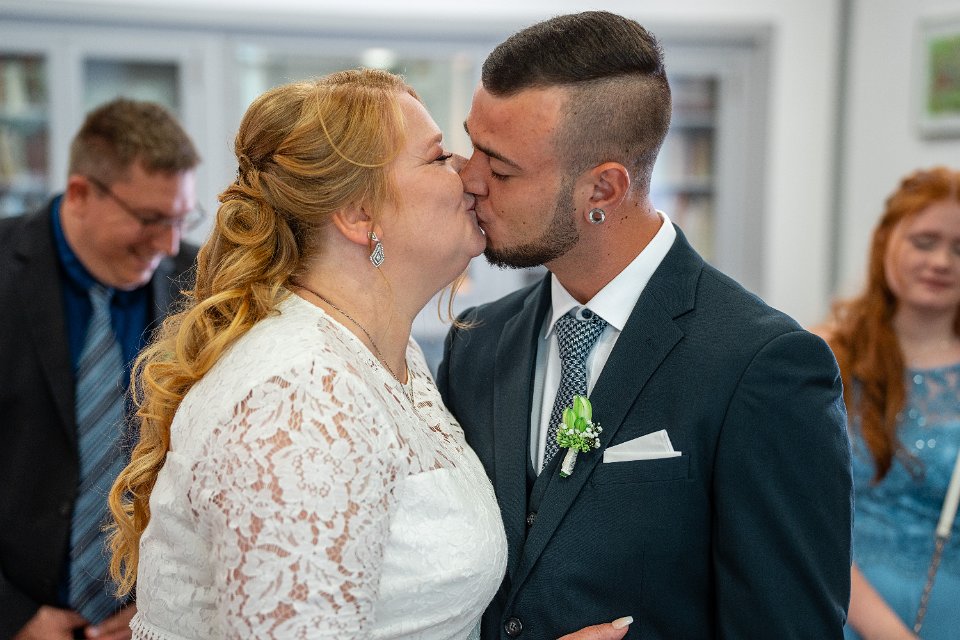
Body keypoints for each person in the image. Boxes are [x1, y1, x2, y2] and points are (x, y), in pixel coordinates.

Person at [437, 11, 853, 640]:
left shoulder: (763, 364)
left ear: (603, 189)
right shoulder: (477, 341)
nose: (468, 181)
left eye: (501, 169)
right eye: (472, 147)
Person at [106, 69, 506, 639]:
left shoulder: (383, 356)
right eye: (438, 157)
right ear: (359, 214)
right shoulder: (301, 396)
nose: (468, 171)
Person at [0, 98, 201, 640]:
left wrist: (158, 606)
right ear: (81, 193)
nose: (167, 244)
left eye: (180, 219)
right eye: (150, 219)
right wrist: (15, 617)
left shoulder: (203, 284)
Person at [816, 167, 960, 640]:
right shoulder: (820, 355)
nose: (941, 261)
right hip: (836, 610)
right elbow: (798, 515)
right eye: (924, 241)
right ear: (886, 241)